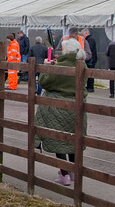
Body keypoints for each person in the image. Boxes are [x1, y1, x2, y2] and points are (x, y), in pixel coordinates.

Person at [34, 37, 87, 186]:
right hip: (77, 108)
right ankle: (74, 171)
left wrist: (46, 67)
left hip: (57, 107)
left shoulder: (60, 66)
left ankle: (64, 174)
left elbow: (44, 82)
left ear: (65, 51)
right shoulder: (83, 65)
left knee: (58, 140)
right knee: (73, 140)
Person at [82, 29, 97, 93]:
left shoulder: (90, 40)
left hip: (91, 59)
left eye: (83, 35)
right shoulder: (91, 39)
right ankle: (88, 86)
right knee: (88, 73)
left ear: (86, 33)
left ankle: (90, 87)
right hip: (91, 59)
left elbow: (89, 49)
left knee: (90, 73)